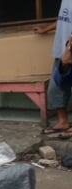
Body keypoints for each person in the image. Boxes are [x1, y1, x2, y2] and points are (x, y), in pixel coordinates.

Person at [35, 0, 72, 139]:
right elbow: (64, 20)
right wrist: (46, 29)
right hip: (62, 50)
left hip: (70, 48)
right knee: (56, 87)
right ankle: (63, 121)